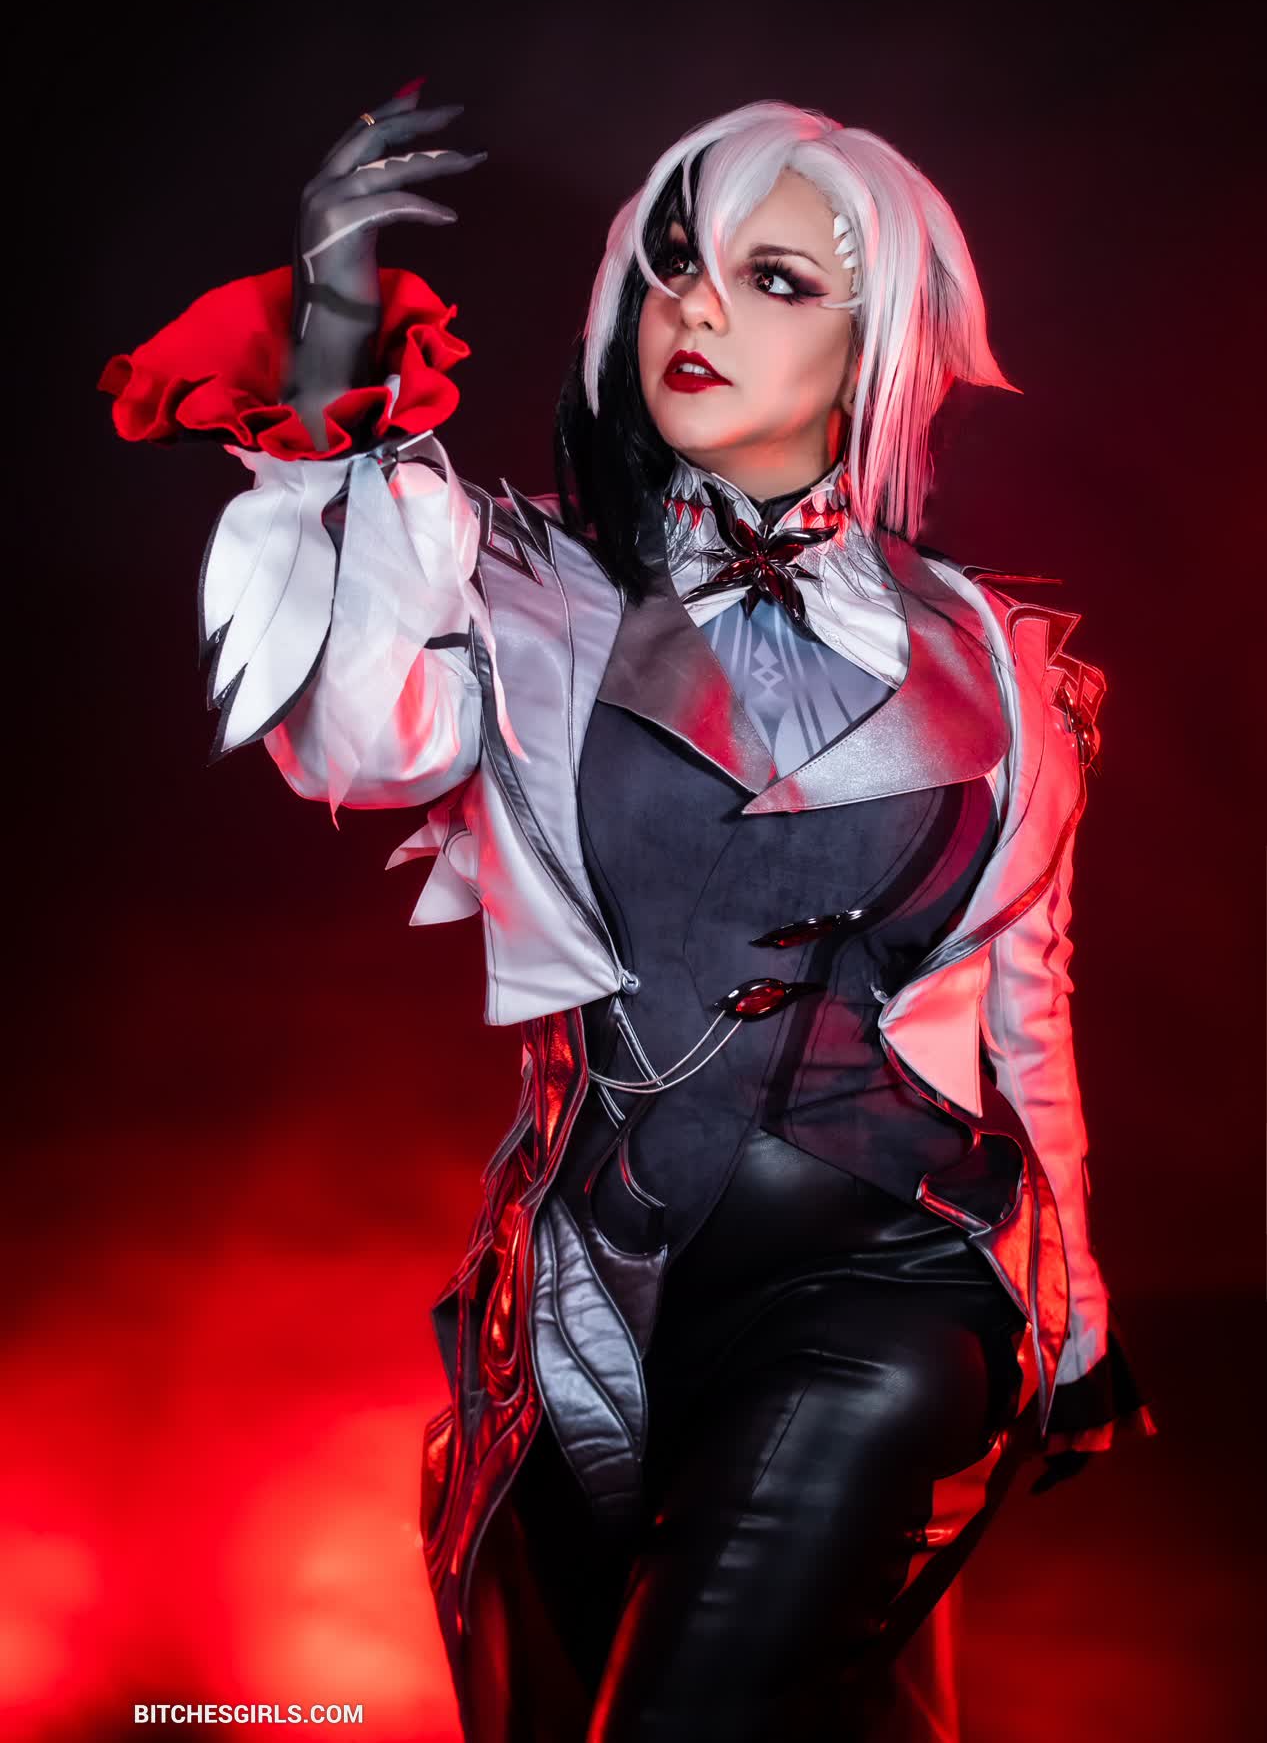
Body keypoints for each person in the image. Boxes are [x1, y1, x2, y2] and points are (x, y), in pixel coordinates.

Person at [100, 90, 1157, 1742]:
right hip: (591, 1309)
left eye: (777, 280)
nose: (700, 310)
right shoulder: (523, 588)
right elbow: (360, 748)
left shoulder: (1005, 669)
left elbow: (1029, 1003)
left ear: (884, 346)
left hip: (893, 1288)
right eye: (674, 266)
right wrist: (333, 366)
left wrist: (1075, 1313)